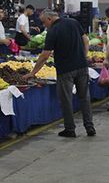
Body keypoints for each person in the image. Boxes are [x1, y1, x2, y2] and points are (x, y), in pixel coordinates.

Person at [23, 9, 95, 138]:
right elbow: (86, 40)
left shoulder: (53, 31)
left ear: (50, 19)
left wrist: (33, 72)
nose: (44, 25)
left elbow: (45, 55)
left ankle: (70, 129)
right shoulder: (74, 22)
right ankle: (90, 127)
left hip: (65, 70)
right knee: (84, 98)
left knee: (66, 100)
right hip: (82, 67)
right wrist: (83, 56)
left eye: (44, 22)